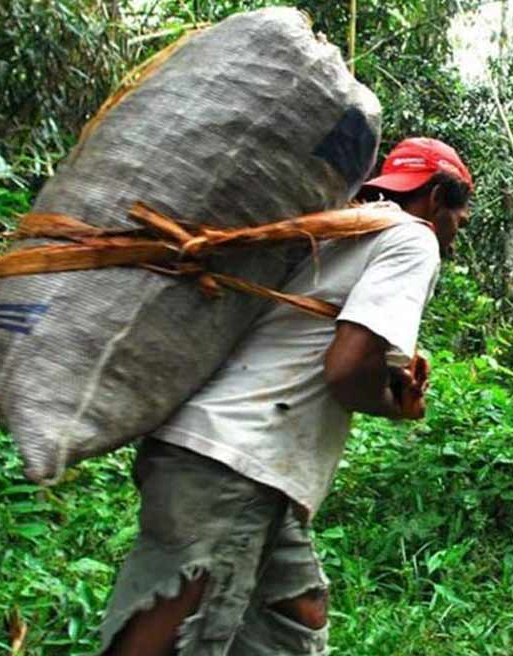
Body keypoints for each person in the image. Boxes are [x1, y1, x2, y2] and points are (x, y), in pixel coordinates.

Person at [98, 137, 472, 656]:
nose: (458, 230)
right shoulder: (413, 239)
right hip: (235, 461)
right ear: (436, 200)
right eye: (461, 215)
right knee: (167, 641)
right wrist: (396, 406)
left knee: (294, 622)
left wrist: (386, 380)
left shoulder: (339, 229)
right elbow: (345, 370)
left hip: (231, 460)